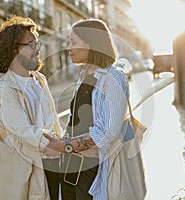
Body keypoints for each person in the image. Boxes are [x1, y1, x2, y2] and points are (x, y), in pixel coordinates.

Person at [44, 18, 146, 199]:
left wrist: (63, 146)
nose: (68, 47)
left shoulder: (113, 79)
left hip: (94, 172)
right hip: (71, 169)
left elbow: (107, 133)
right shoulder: (85, 76)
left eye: (73, 42)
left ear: (92, 44)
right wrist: (60, 141)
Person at [0, 16, 62, 200]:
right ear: (14, 50)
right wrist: (61, 146)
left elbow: (52, 119)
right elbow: (24, 131)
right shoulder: (3, 90)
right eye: (31, 45)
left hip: (52, 164)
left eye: (37, 43)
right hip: (25, 174)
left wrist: (63, 142)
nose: (37, 49)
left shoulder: (39, 80)